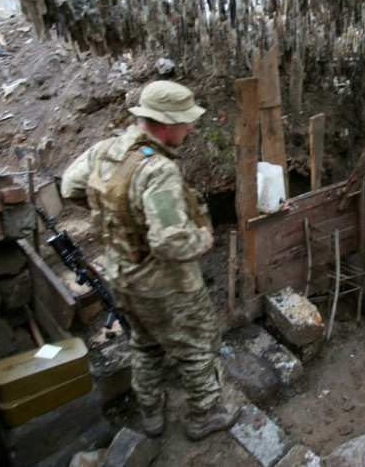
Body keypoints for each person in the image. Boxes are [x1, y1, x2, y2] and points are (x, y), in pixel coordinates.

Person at [61, 80, 240, 440]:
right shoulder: (157, 171)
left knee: (145, 342)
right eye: (186, 122)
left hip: (122, 275)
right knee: (196, 344)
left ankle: (151, 415)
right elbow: (169, 242)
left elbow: (70, 187)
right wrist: (201, 240)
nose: (191, 128)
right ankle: (205, 414)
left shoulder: (106, 150)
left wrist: (120, 219)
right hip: (165, 286)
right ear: (165, 123)